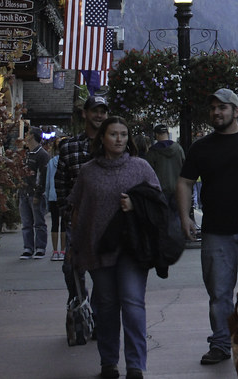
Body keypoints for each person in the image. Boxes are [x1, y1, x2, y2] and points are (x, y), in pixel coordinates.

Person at [176, 88, 238, 366]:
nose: (217, 112)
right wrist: (185, 217)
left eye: (223, 107)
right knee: (218, 294)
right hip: (216, 232)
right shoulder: (201, 147)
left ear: (236, 110)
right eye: (213, 108)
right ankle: (220, 343)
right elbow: (185, 181)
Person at [68, 117, 160, 379]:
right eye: (113, 134)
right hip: (98, 248)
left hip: (132, 248)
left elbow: (157, 204)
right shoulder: (88, 171)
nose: (119, 139)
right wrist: (73, 245)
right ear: (102, 139)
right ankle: (108, 362)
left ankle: (135, 365)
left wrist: (135, 205)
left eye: (123, 134)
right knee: (106, 307)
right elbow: (77, 209)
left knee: (132, 304)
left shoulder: (140, 167)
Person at [56, 94, 110, 303]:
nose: (99, 115)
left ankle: (99, 314)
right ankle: (79, 304)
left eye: (103, 111)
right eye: (95, 110)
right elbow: (61, 184)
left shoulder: (113, 146)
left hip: (107, 220)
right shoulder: (69, 147)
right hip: (77, 220)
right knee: (71, 267)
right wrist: (67, 212)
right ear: (84, 113)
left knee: (105, 271)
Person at [19, 128, 49, 259]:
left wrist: (38, 193)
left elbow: (43, 175)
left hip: (35, 193)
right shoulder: (26, 154)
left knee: (39, 222)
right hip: (24, 192)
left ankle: (40, 247)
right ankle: (28, 247)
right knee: (26, 222)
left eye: (28, 134)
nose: (26, 136)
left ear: (32, 136)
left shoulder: (42, 155)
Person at [145, 125, 185, 224]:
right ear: (167, 133)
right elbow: (185, 167)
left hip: (160, 190)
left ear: (156, 135)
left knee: (162, 219)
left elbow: (147, 171)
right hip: (177, 189)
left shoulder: (153, 152)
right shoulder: (178, 148)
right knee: (177, 217)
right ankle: (177, 238)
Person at [46, 140, 66, 260]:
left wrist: (47, 195)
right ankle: (63, 251)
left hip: (53, 195)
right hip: (64, 195)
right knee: (63, 223)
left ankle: (54, 251)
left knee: (54, 223)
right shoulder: (67, 161)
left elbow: (48, 182)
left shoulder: (51, 162)